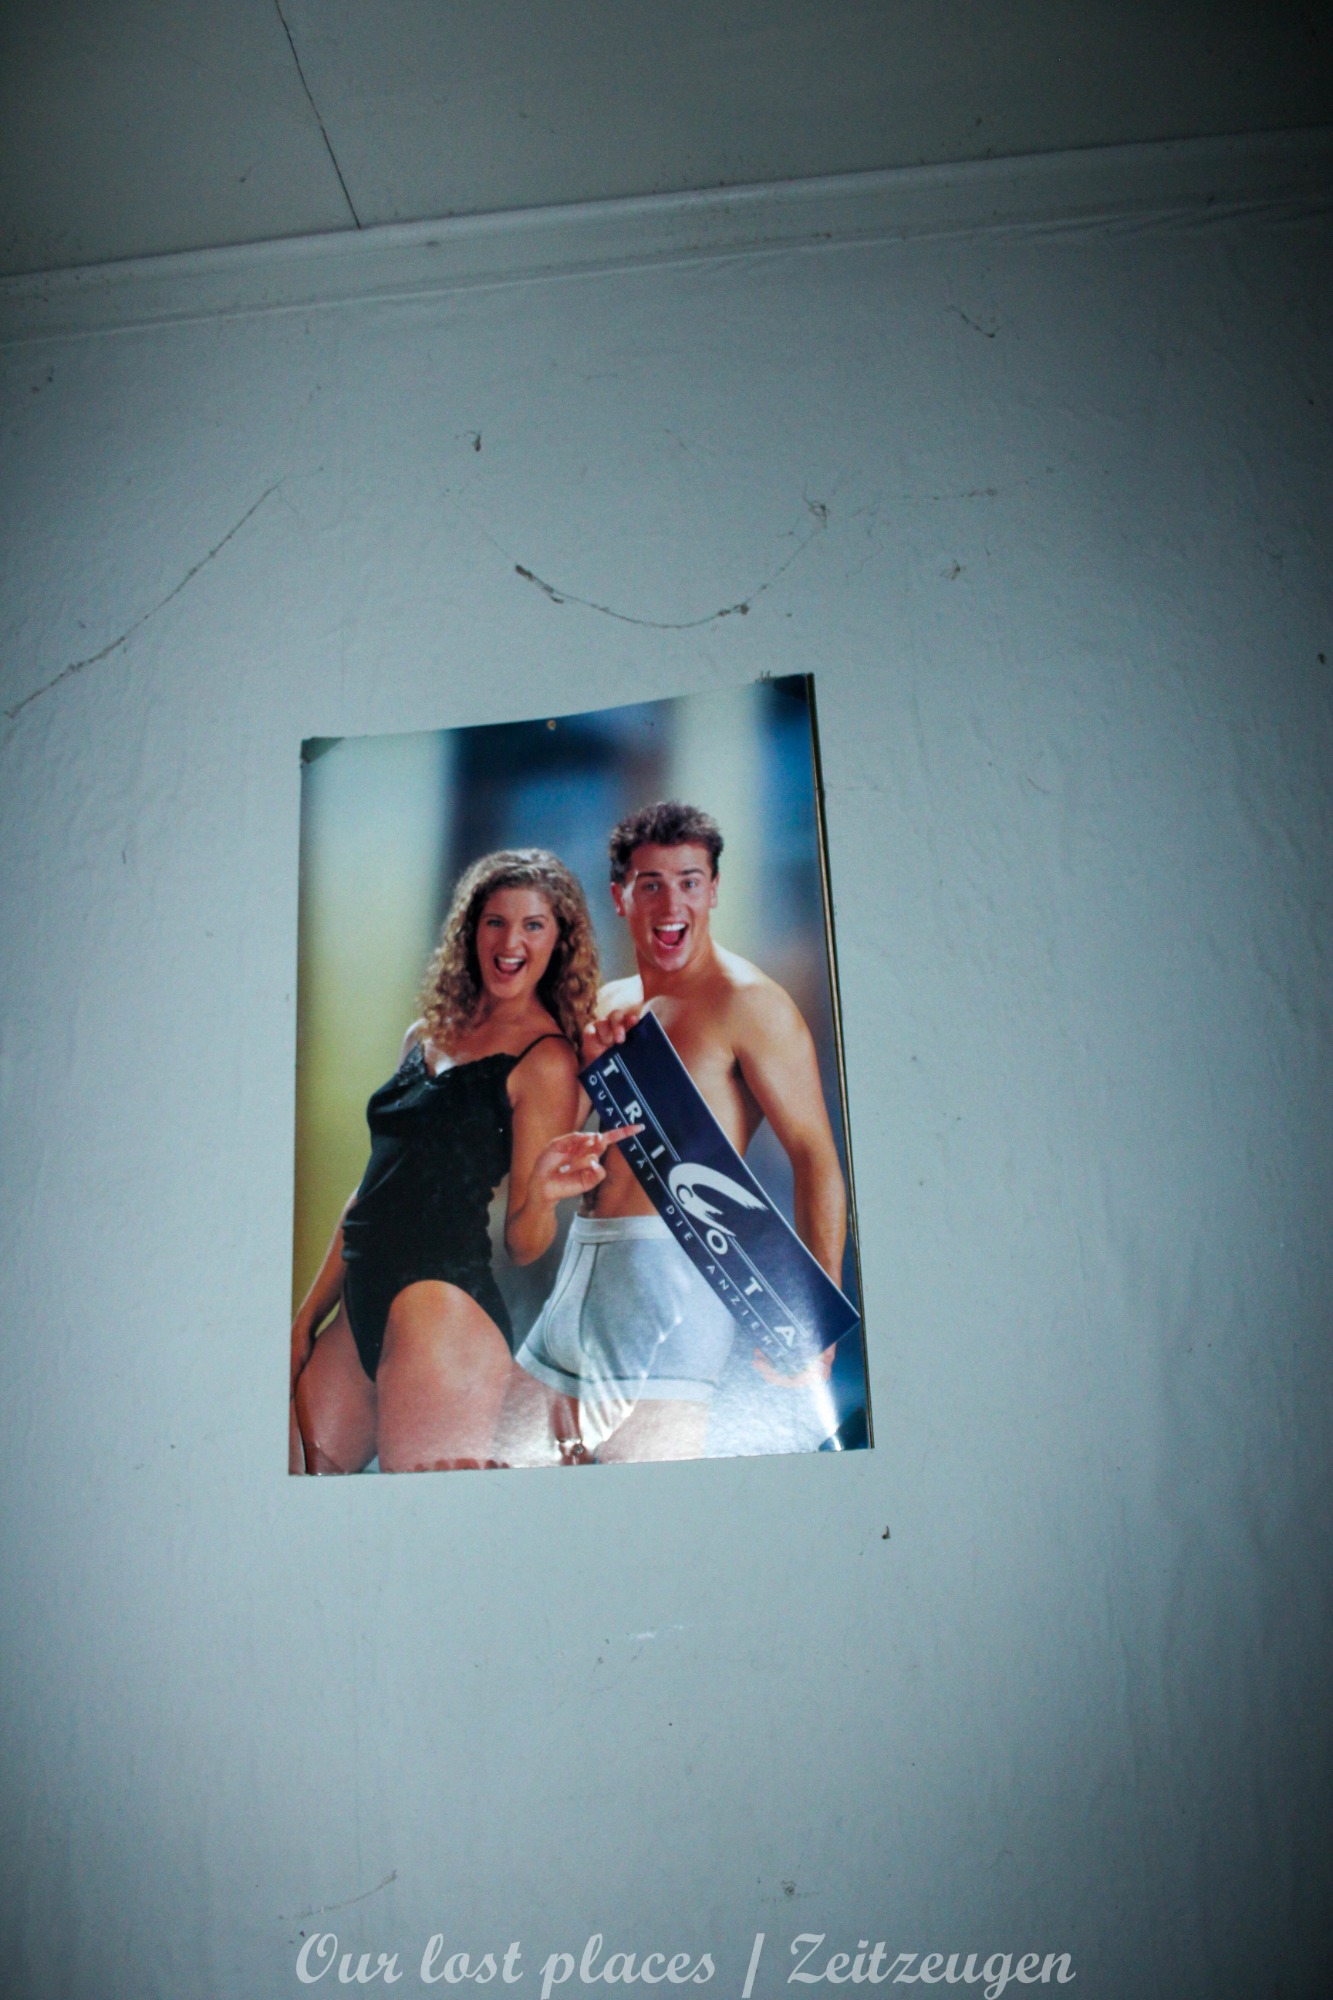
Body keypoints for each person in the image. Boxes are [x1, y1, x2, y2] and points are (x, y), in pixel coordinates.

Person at [504, 801, 848, 1465]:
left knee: (642, 1508)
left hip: (676, 1288)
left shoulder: (750, 1003)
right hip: (577, 1278)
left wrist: (814, 1315)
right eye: (652, 884)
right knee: (508, 1484)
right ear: (620, 896)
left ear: (712, 890)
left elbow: (815, 1158)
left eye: (689, 882)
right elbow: (553, 1155)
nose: (671, 904)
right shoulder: (607, 1006)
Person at [290, 849, 636, 1474]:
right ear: (471, 931)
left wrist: (542, 1193)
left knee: (422, 1519)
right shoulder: (423, 1034)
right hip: (356, 1312)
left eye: (533, 925)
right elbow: (372, 1189)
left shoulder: (546, 1060)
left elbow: (524, 1244)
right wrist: (305, 1319)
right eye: (495, 921)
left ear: (559, 941)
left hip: (442, 1315)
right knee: (298, 1485)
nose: (510, 942)